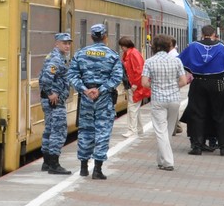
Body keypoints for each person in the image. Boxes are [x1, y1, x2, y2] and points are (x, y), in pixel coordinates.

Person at [67, 23, 124, 179]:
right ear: (105, 36)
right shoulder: (112, 55)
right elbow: (117, 77)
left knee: (85, 131)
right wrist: (101, 89)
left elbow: (72, 75)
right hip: (104, 98)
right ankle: (97, 169)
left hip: (86, 98)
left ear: (92, 36)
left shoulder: (81, 54)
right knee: (103, 131)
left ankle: (83, 167)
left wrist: (85, 90)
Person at [178, 24, 224, 156]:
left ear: (202, 33)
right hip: (218, 83)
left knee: (197, 114)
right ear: (214, 34)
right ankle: (223, 148)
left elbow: (180, 61)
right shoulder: (221, 47)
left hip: (199, 82)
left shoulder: (193, 46)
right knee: (220, 115)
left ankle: (197, 146)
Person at [142, 33, 190, 172]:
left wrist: (156, 87)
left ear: (154, 47)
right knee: (167, 131)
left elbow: (144, 82)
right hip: (174, 100)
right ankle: (161, 160)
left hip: (158, 100)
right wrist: (173, 87)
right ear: (169, 46)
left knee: (160, 131)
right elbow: (184, 81)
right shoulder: (176, 61)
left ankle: (168, 162)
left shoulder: (149, 61)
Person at [38, 32, 73, 175]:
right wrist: (50, 93)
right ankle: (54, 164)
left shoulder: (57, 57)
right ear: (56, 43)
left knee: (49, 129)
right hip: (54, 101)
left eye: (69, 43)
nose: (67, 45)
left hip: (51, 100)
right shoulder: (56, 59)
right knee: (58, 131)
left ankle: (46, 162)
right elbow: (46, 78)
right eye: (64, 43)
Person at [119, 36, 150, 139]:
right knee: (135, 107)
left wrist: (135, 84)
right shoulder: (130, 53)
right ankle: (139, 129)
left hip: (136, 86)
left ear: (124, 46)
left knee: (132, 108)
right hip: (133, 85)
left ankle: (132, 130)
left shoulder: (133, 54)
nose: (121, 49)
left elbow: (139, 70)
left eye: (121, 47)